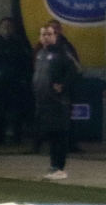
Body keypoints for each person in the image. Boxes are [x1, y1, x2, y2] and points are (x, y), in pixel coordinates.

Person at [32, 22, 79, 180]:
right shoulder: (40, 54)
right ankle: (53, 166)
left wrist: (63, 86)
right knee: (51, 135)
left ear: (55, 36)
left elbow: (74, 73)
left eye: (49, 34)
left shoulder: (63, 54)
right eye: (43, 34)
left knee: (60, 135)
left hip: (58, 103)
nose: (46, 37)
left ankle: (60, 167)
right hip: (43, 102)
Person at [0, 17, 32, 145]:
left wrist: (25, 79)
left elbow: (26, 63)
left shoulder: (20, 43)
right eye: (4, 26)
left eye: (9, 26)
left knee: (16, 111)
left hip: (16, 83)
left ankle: (16, 138)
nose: (6, 28)